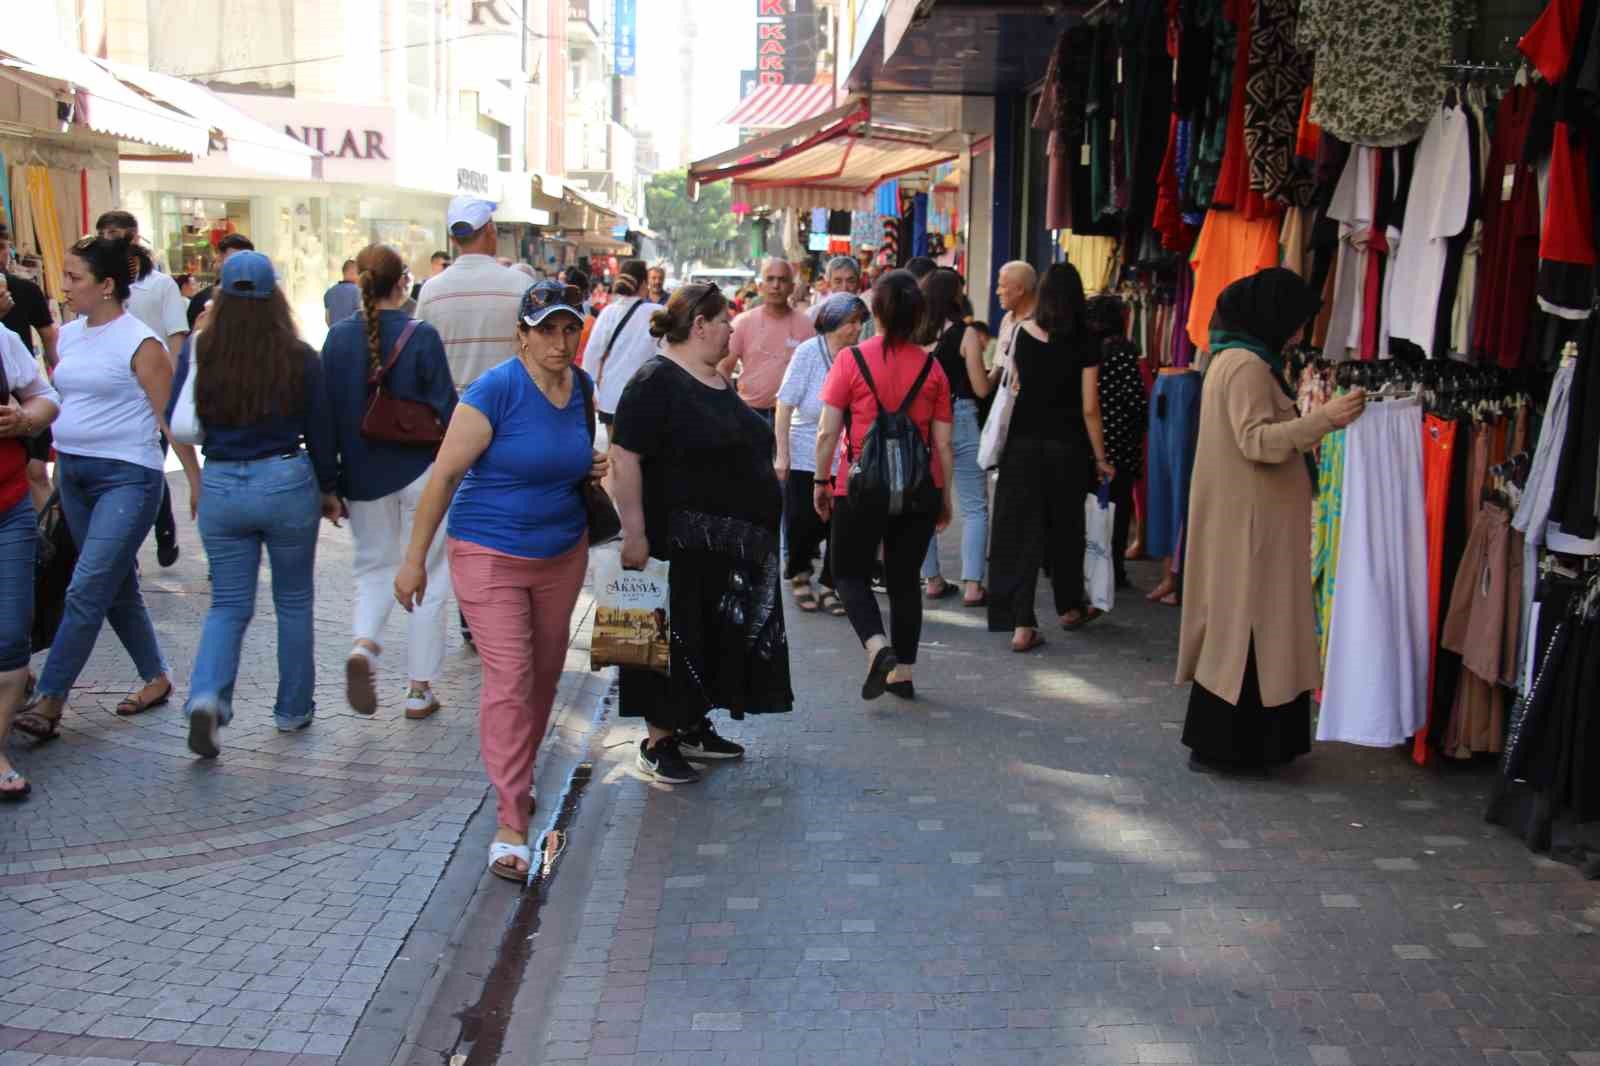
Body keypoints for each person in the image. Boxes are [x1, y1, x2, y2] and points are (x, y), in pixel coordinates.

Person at [394, 281, 603, 880]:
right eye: (547, 330)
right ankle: (512, 819)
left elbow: (571, 457)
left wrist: (593, 464)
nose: (561, 342)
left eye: (570, 328)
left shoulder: (580, 387)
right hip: (489, 552)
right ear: (522, 334)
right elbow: (443, 478)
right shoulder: (494, 392)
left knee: (541, 678)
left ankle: (520, 772)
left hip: (562, 552)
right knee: (510, 676)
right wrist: (413, 561)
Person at [1177, 269, 1366, 775]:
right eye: (1298, 322)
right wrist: (1328, 418)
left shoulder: (1241, 359)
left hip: (1252, 522)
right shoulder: (1246, 366)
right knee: (1251, 632)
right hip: (1252, 527)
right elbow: (1257, 440)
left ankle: (1246, 746)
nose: (1302, 334)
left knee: (1249, 631)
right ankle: (1236, 747)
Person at [12, 236, 200, 742]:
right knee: (116, 587)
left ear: (108, 285)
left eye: (74, 278)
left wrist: (195, 481)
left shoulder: (141, 342)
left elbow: (168, 417)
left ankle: (50, 698)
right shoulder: (70, 337)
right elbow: (55, 393)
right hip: (72, 473)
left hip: (128, 478)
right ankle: (156, 677)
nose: (64, 287)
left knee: (87, 587)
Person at [610, 282, 790, 786]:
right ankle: (657, 740)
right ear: (699, 325)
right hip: (671, 543)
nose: (733, 327)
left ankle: (690, 724)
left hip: (718, 549)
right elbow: (625, 458)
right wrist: (634, 534)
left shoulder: (713, 378)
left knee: (701, 636)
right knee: (658, 637)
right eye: (725, 319)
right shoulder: (654, 380)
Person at [169, 252, 340, 757]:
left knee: (227, 605)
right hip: (286, 479)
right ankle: (292, 711)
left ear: (219, 295)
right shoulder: (299, 355)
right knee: (293, 602)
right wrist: (329, 487)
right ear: (276, 297)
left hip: (221, 482)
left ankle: (207, 697)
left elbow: (177, 414)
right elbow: (322, 428)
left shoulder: (203, 349)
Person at [323, 244, 458, 721]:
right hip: (423, 472)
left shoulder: (337, 340)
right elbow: (448, 408)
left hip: (360, 475)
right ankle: (418, 690)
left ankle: (365, 644)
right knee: (431, 575)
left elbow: (321, 418)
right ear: (404, 282)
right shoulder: (423, 336)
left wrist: (327, 482)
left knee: (373, 570)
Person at [813, 269, 955, 701]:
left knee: (848, 573)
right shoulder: (933, 368)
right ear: (918, 316)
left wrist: (820, 481)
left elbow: (826, 432)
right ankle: (904, 674)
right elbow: (944, 445)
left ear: (875, 311)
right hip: (918, 490)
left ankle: (877, 647)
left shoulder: (850, 361)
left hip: (858, 488)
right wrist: (944, 498)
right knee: (905, 580)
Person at [986, 262, 1115, 652]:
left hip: (1023, 446)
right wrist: (1100, 457)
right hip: (1067, 447)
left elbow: (1016, 386)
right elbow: (1090, 407)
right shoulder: (1086, 340)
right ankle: (1070, 607)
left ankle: (1021, 624)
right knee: (1066, 527)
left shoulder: (1023, 333)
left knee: (1022, 531)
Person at [97, 211, 190, 568]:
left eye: (119, 233)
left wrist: (178, 385)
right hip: (112, 392)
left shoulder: (161, 285)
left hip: (153, 389)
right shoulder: (95, 284)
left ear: (135, 238)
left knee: (149, 463)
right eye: (105, 233)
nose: (113, 240)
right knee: (122, 467)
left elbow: (176, 337)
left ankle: (163, 528)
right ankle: (128, 550)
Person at [776, 292, 865, 617]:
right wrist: (782, 454)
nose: (856, 329)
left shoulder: (857, 355)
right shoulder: (808, 353)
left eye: (860, 322)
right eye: (851, 322)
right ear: (833, 322)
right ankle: (800, 573)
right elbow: (784, 404)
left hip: (845, 454)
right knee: (802, 520)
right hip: (805, 450)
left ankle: (830, 583)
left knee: (840, 524)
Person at [0, 320, 60, 798]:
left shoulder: (2, 339)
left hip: (7, 509)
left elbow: (45, 396)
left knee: (9, 635)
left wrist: (26, 419)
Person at [918, 268, 991, 607]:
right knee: (974, 506)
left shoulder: (914, 335)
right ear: (956, 296)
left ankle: (932, 579)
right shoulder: (966, 336)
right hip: (960, 418)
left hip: (921, 424)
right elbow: (980, 388)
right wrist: (999, 373)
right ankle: (973, 586)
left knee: (924, 502)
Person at [1087, 295, 1148, 590]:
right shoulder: (1123, 351)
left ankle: (1085, 565)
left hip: (1090, 437)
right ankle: (1113, 569)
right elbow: (1134, 399)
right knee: (1118, 506)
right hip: (1120, 439)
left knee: (1088, 504)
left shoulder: (1086, 349)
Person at [0, 224, 61, 512]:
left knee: (36, 472)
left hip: (20, 388)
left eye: (3, 246)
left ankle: (48, 542)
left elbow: (49, 334)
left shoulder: (24, 290)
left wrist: (58, 373)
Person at [719, 258, 813, 421]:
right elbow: (723, 367)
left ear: (792, 287)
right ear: (761, 286)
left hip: (793, 418)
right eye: (770, 279)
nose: (776, 285)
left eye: (782, 280)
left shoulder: (806, 326)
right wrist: (732, 407)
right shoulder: (743, 322)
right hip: (750, 413)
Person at [587, 261, 661, 433]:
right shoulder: (657, 312)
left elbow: (592, 355)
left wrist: (591, 392)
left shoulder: (608, 312)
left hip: (611, 397)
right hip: (646, 397)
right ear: (643, 283)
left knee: (614, 453)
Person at [186, 233, 255, 329]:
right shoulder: (202, 300)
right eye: (232, 261)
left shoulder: (260, 297)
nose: (238, 265)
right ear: (218, 262)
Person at [807, 255, 877, 340]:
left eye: (850, 281)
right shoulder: (814, 314)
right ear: (829, 284)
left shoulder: (869, 317)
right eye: (838, 281)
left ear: (859, 283)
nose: (844, 287)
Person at [324, 259, 361, 327]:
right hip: (353, 335)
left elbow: (327, 320)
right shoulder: (359, 291)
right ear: (352, 273)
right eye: (359, 273)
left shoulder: (329, 293)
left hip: (334, 335)